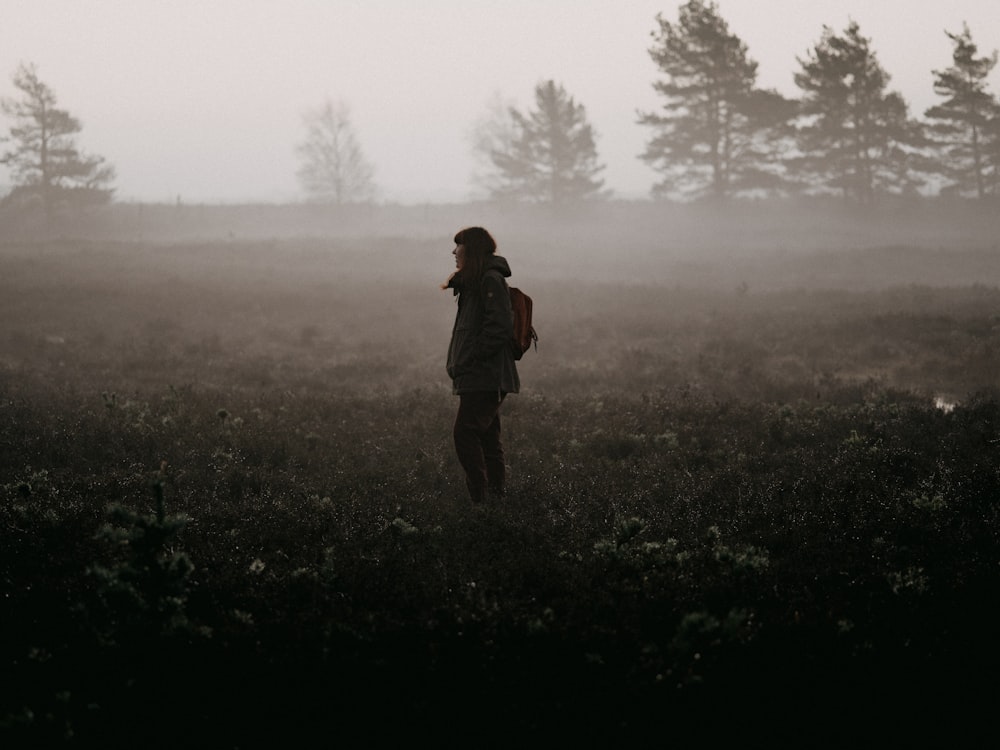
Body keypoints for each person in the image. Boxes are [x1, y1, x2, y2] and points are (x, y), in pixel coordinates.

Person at [442, 226, 519, 504]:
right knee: (487, 439)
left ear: (471, 249)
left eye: (458, 246)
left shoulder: (489, 280)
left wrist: (472, 358)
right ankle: (495, 502)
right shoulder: (475, 281)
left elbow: (499, 327)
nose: (454, 251)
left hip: (486, 375)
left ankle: (481, 500)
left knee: (465, 434)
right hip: (482, 375)